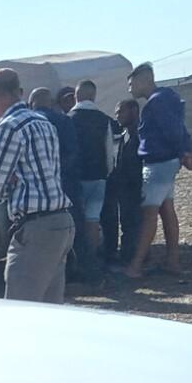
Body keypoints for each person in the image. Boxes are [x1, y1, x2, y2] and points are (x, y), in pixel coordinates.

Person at [0, 68, 74, 303]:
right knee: (50, 307)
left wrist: (12, 181)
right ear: (20, 92)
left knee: (19, 309)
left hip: (36, 227)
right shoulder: (43, 122)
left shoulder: (9, 127)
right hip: (61, 221)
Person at [121, 62, 192, 280]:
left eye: (132, 83)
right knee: (166, 210)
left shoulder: (157, 103)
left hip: (158, 164)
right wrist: (184, 151)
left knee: (149, 214)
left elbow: (172, 130)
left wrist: (184, 151)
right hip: (166, 162)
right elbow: (178, 128)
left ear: (145, 80)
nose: (130, 89)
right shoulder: (166, 98)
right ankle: (172, 260)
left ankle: (135, 265)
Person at [68, 80, 117, 276]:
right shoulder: (104, 120)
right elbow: (109, 151)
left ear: (76, 96)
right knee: (93, 218)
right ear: (94, 96)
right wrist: (106, 173)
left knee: (76, 220)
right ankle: (93, 258)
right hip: (98, 176)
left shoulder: (68, 119)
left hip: (76, 177)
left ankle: (79, 260)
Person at [105, 98, 144, 266]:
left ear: (134, 111)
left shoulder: (141, 134)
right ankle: (128, 254)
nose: (117, 115)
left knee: (135, 223)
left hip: (136, 187)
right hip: (124, 188)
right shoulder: (124, 135)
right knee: (127, 222)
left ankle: (136, 256)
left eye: (121, 111)